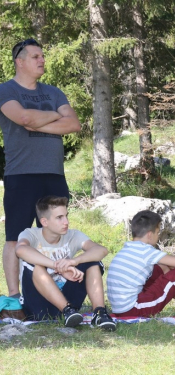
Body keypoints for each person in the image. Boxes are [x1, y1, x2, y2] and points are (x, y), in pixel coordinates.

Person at [0, 38, 81, 303]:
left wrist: (37, 122)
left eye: (42, 56)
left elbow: (74, 124)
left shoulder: (54, 92)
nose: (41, 60)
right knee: (15, 237)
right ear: (19, 61)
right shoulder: (6, 90)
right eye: (35, 56)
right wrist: (54, 116)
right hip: (21, 175)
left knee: (58, 235)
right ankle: (14, 298)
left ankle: (54, 293)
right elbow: (22, 119)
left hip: (54, 174)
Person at [15, 196, 116, 330]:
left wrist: (73, 261)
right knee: (33, 263)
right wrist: (57, 267)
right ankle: (66, 310)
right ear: (44, 221)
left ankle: (99, 313)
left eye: (66, 216)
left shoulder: (72, 235)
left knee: (93, 262)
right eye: (59, 217)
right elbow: (21, 250)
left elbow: (101, 250)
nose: (66, 222)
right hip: (38, 306)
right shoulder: (31, 234)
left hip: (70, 303)